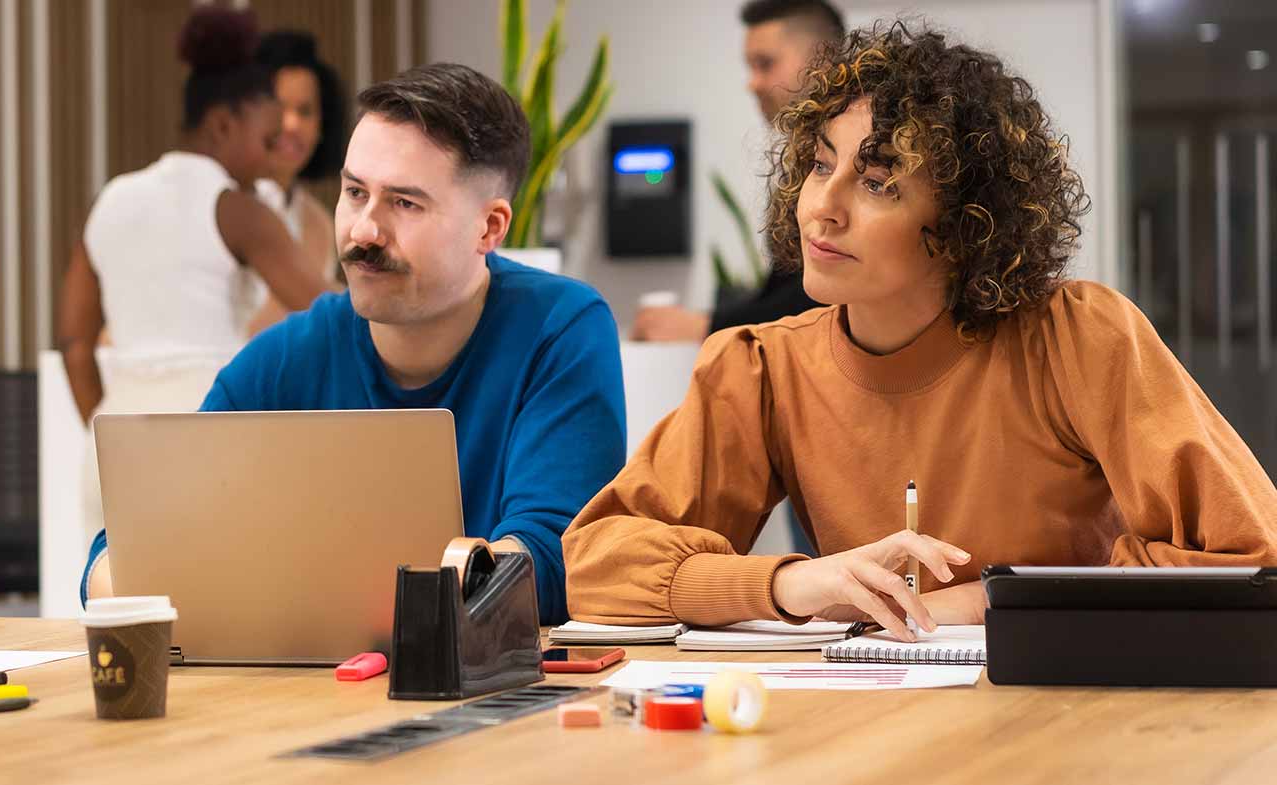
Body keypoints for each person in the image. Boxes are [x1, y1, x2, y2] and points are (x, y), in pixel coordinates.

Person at [565, 23, 1277, 641]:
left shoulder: (1076, 338)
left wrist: (997, 596)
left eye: (878, 182)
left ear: (969, 224)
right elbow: (597, 563)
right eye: (819, 166)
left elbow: (1255, 557)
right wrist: (790, 584)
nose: (823, 208)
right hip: (876, 731)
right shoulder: (762, 368)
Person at [83, 63, 628, 625]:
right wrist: (130, 577)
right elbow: (125, 552)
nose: (364, 230)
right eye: (355, 192)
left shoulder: (560, 328)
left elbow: (556, 563)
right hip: (303, 693)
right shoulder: (286, 358)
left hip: (490, 696)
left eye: (405, 203)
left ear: (488, 228)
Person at [58, 5, 330, 426]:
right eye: (268, 139)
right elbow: (330, 310)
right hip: (209, 427)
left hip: (114, 433)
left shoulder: (108, 200)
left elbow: (76, 345)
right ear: (223, 125)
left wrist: (102, 428)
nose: (275, 156)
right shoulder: (238, 211)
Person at [630, 0, 840, 342]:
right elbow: (788, 288)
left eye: (765, 64)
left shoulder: (851, 162)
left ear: (823, 61)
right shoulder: (804, 159)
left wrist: (706, 327)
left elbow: (820, 297)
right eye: (751, 66)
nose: (753, 83)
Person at [246, 28, 349, 334]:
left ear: (322, 125)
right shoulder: (219, 205)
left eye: (305, 111)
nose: (291, 124)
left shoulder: (319, 222)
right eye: (279, 107)